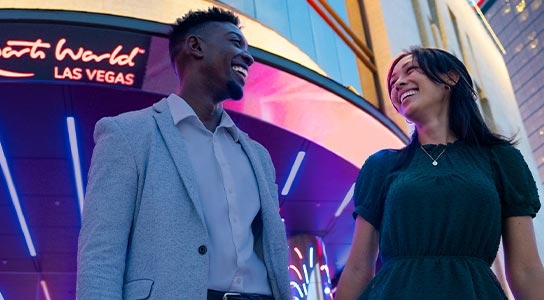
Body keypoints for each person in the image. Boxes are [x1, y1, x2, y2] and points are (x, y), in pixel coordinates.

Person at [76, 7, 290, 300]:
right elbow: (101, 253)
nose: (249, 57)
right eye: (235, 43)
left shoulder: (258, 156)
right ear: (195, 46)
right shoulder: (128, 135)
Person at [336, 47, 544, 299]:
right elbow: (358, 268)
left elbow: (527, 270)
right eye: (392, 82)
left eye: (410, 70)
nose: (398, 83)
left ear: (450, 78)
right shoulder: (381, 165)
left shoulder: (500, 159)